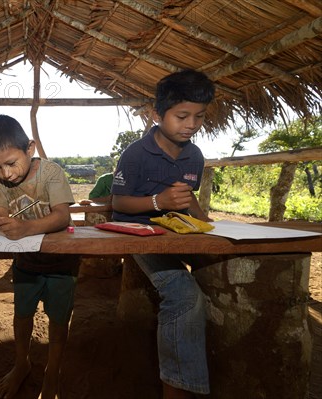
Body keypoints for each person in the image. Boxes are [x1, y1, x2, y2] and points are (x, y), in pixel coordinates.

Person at [0, 115, 80, 399]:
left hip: (63, 264)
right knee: (22, 315)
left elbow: (62, 216)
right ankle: (21, 363)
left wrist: (27, 228)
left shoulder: (51, 173)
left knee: (59, 321)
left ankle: (52, 373)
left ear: (30, 148)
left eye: (11, 163)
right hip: (26, 263)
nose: (6, 174)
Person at [111, 69, 215, 399]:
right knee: (183, 294)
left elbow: (189, 199)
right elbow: (118, 202)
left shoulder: (194, 156)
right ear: (158, 115)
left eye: (199, 117)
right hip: (137, 231)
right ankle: (177, 389)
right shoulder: (136, 154)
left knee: (222, 263)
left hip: (177, 231)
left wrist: (207, 228)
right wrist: (158, 201)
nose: (191, 124)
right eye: (182, 115)